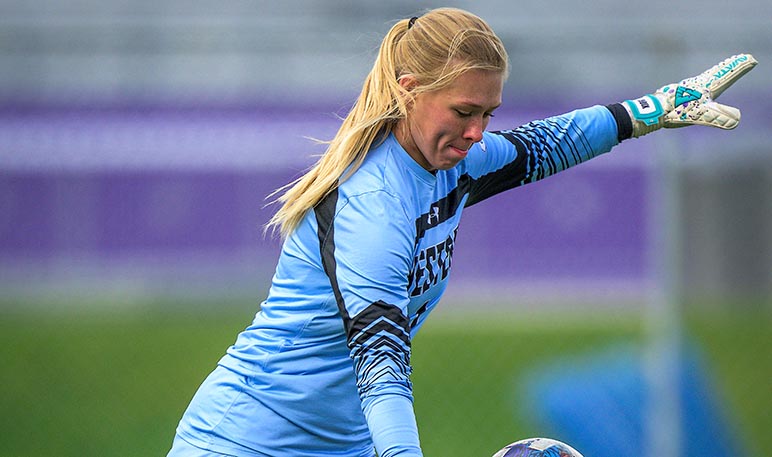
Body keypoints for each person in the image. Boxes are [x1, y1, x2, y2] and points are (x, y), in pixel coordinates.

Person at [167, 7, 756, 457]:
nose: (478, 132)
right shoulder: (374, 202)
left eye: (488, 114)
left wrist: (651, 110)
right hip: (247, 440)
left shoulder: (449, 162)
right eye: (463, 111)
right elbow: (380, 360)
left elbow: (544, 146)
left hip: (338, 442)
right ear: (408, 88)